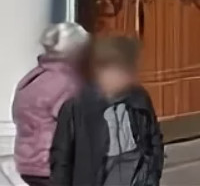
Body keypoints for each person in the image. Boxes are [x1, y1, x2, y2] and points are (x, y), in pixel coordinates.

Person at [50, 36, 163, 186]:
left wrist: (153, 174)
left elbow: (153, 138)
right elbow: (61, 160)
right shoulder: (77, 107)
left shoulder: (139, 97)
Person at [11, 23, 90, 186]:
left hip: (28, 164)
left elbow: (17, 115)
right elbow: (79, 126)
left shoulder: (32, 78)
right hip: (53, 165)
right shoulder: (69, 82)